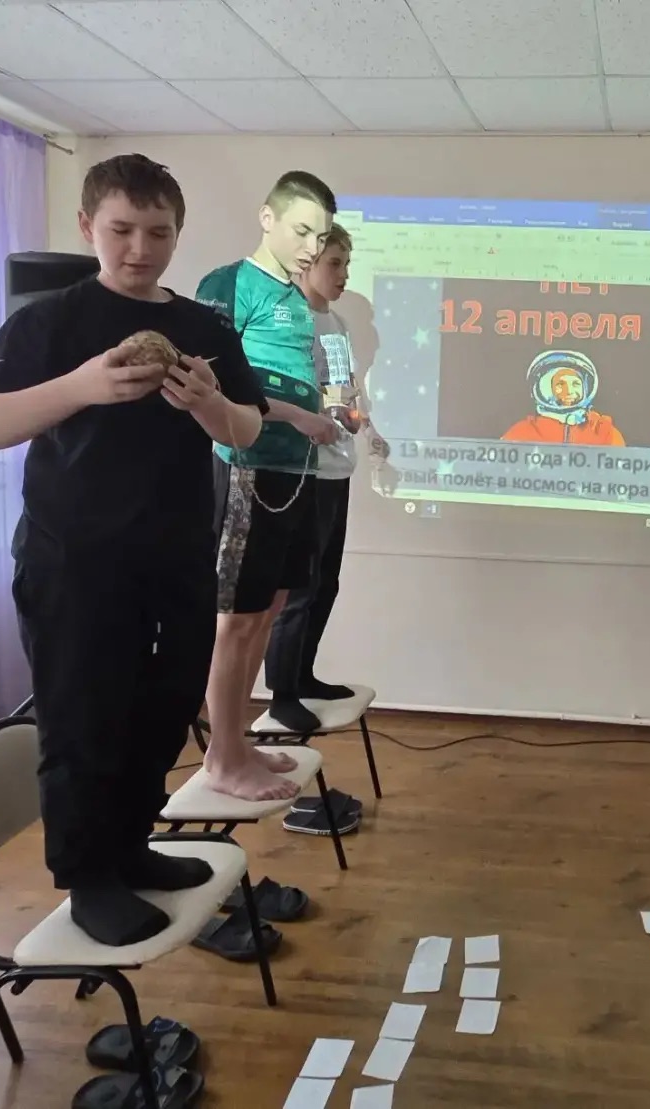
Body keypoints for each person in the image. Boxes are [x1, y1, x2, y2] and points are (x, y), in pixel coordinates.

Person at [0, 154, 266, 946]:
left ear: (177, 234)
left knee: (165, 709)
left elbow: (247, 429)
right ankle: (88, 874)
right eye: (122, 230)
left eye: (158, 233)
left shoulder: (204, 327)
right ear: (88, 226)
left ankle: (131, 844)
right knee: (82, 717)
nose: (139, 249)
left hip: (177, 555)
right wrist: (81, 386)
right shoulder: (49, 321)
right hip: (73, 560)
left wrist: (209, 405)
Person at [197, 171, 338, 802]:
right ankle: (221, 757)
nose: (312, 248)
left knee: (271, 608)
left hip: (296, 472)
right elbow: (215, 381)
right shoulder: (229, 284)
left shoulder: (297, 299)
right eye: (302, 231)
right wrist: (299, 417)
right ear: (267, 218)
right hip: (247, 467)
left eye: (322, 237)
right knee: (237, 618)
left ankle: (237, 741)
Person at [261, 224, 388, 834]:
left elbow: (343, 392)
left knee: (326, 581)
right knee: (298, 587)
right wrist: (319, 415)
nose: (343, 275)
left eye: (346, 264)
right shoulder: (286, 324)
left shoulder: (334, 325)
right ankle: (282, 693)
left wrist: (365, 423)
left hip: (336, 468)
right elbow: (274, 396)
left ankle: (304, 674)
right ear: (305, 263)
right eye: (335, 263)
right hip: (302, 471)